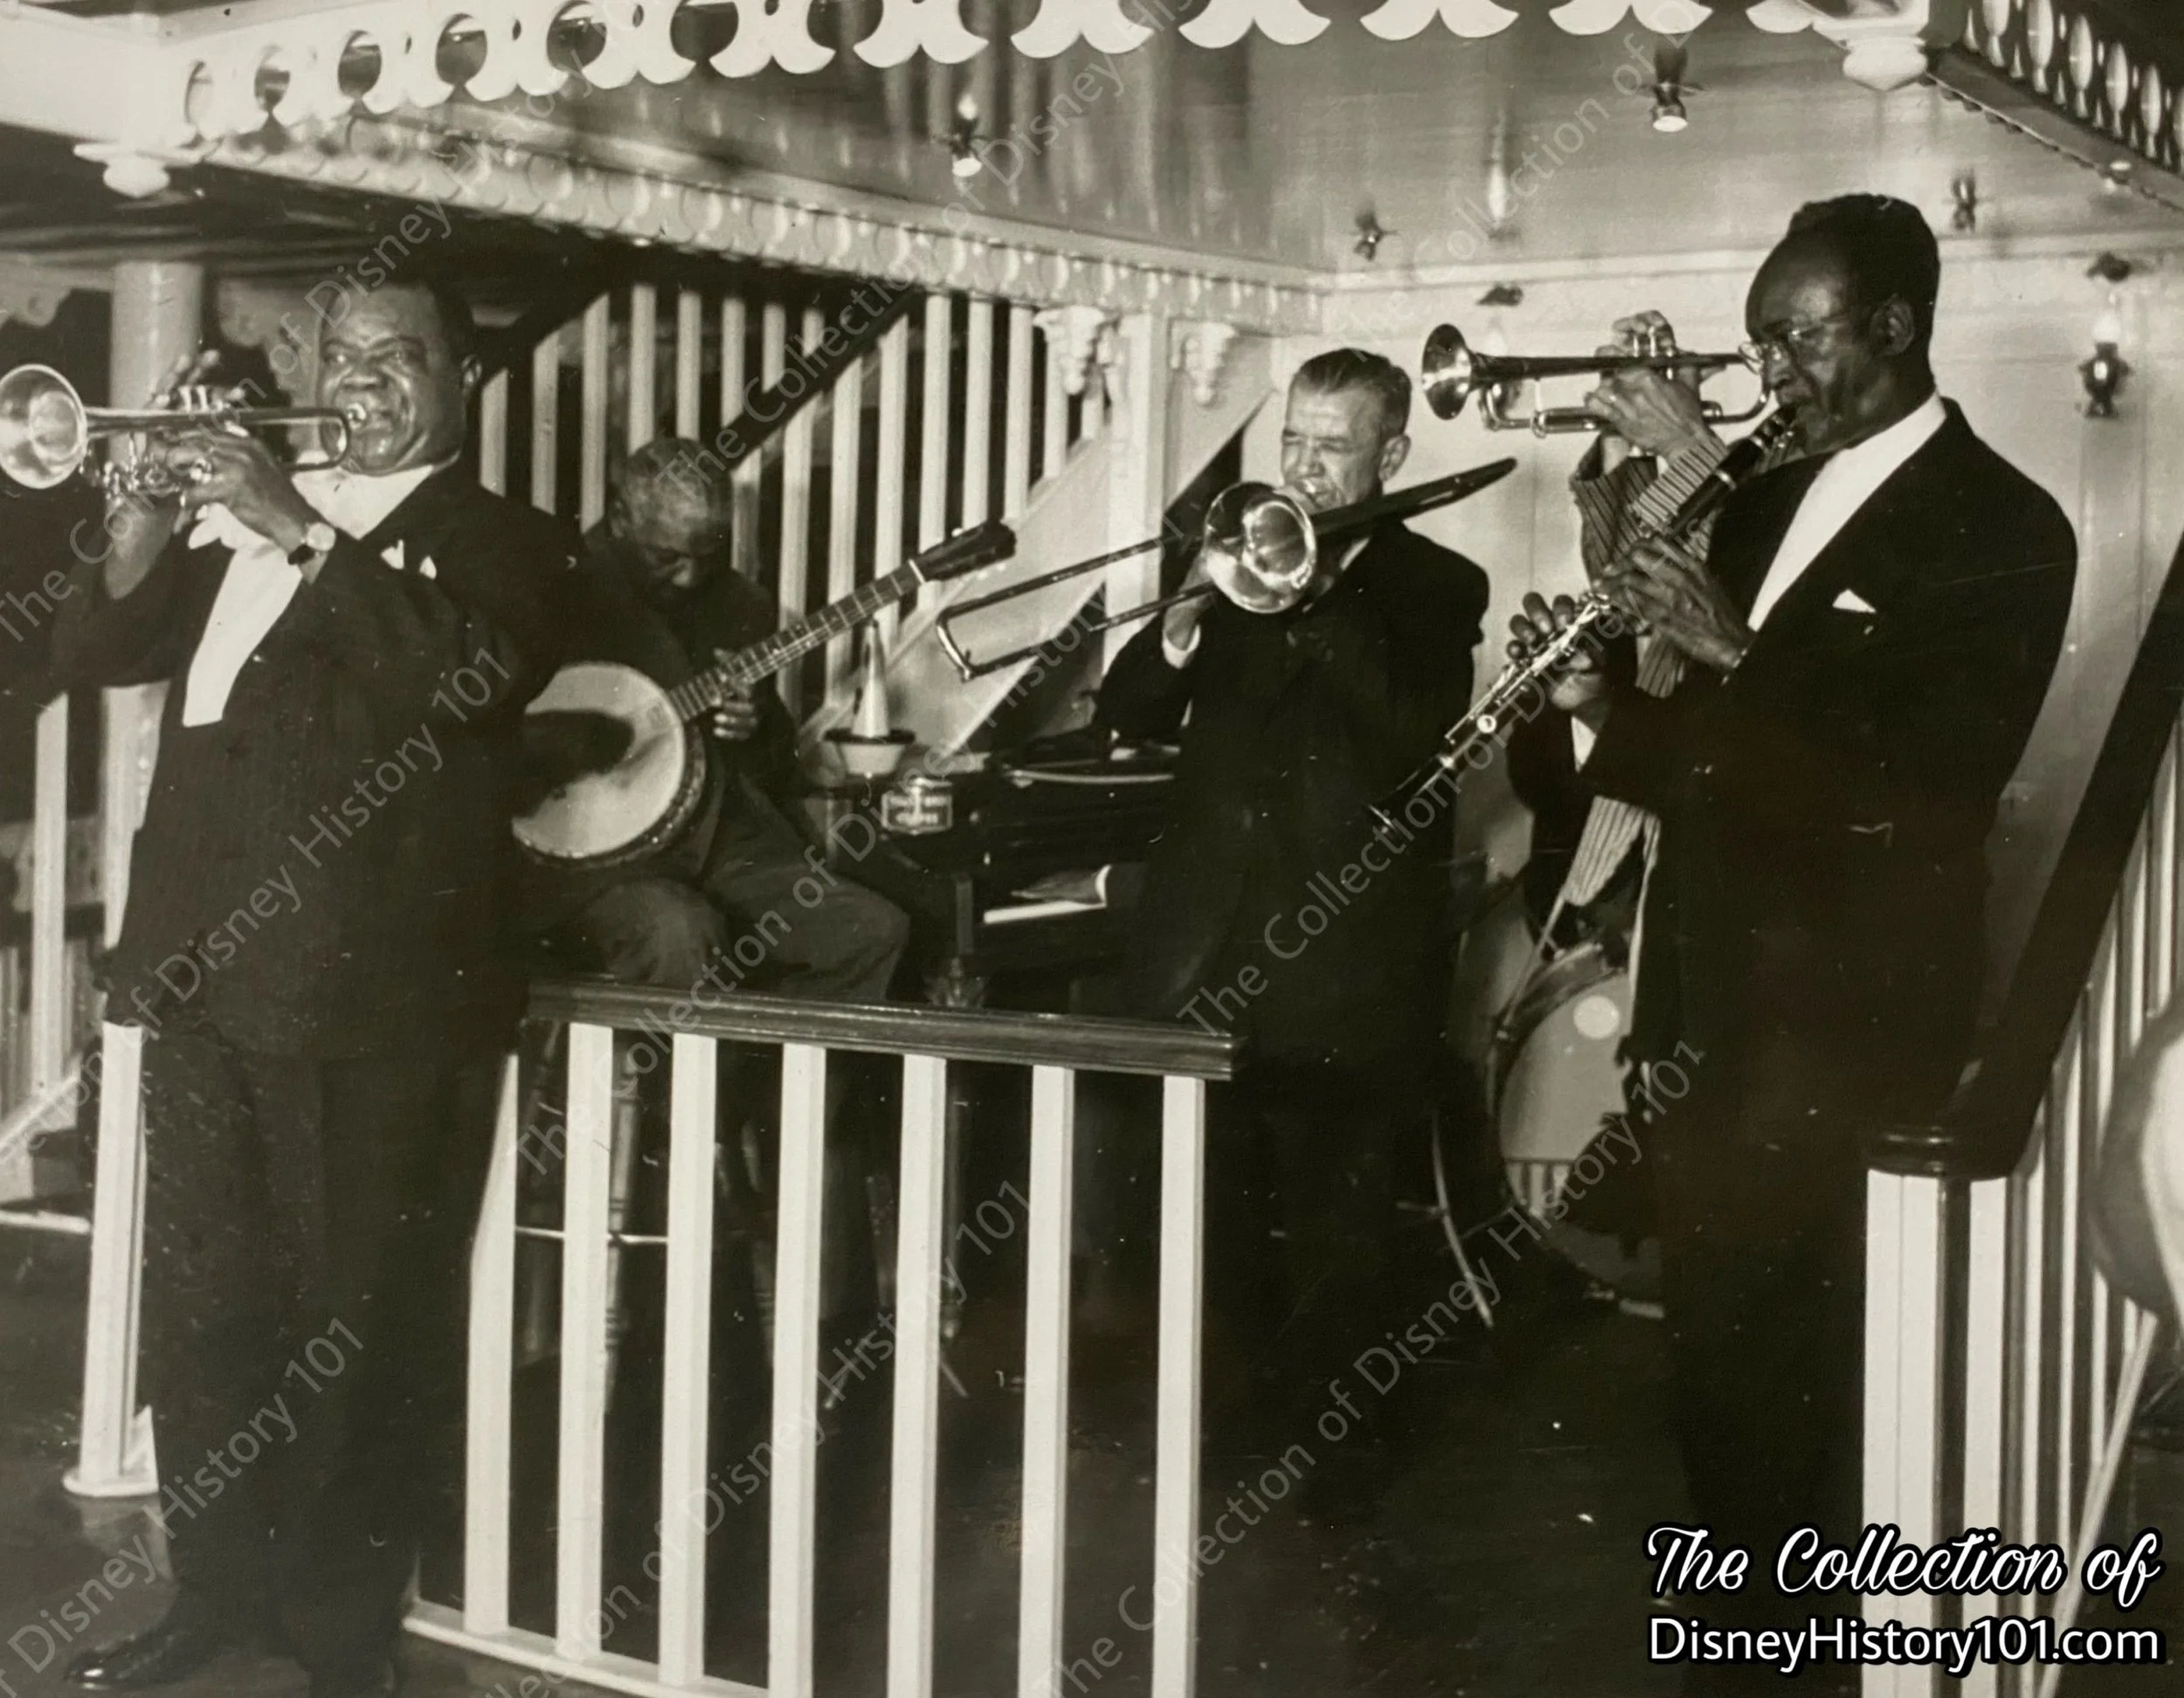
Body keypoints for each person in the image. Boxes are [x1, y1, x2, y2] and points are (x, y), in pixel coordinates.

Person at [1510, 196, 2077, 1684]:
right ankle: (1751, 1635)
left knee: (1819, 1354)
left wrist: (1737, 653)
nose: (1768, 370)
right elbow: (1693, 758)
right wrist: (1583, 711)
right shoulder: (1754, 502)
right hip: (1707, 998)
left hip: (1849, 1014)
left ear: (1894, 326)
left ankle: (1808, 1639)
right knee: (1718, 1340)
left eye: (1797, 336)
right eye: (1761, 336)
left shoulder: (2009, 523)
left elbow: (1936, 792)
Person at [49, 281, 577, 1696]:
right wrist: (152, 505)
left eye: (396, 358)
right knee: (210, 1318)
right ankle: (217, 1598)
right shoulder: (249, 520)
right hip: (206, 979)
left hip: (372, 1000)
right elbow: (95, 650)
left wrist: (293, 519)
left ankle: (340, 1637)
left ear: (460, 375)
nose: (361, 385)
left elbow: (462, 676)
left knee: (359, 1321)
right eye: (340, 357)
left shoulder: (505, 538)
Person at [1095, 348, 1490, 1513]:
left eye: (1332, 448)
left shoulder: (1437, 586)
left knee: (1338, 1221)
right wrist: (1182, 615)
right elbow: (1129, 711)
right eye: (1294, 445)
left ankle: (1331, 1467)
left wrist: (1307, 592)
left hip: (1351, 954)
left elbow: (1413, 732)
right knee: (1216, 1207)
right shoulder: (1237, 559)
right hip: (1210, 943)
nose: (1306, 470)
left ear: (1391, 458)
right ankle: (1223, 1451)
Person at [522, 438, 908, 1002]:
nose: (688, 577)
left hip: (720, 845)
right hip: (597, 859)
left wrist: (752, 728)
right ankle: (673, 1090)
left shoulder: (739, 604)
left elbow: (775, 766)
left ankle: (781, 1085)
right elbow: (497, 737)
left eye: (707, 554)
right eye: (667, 556)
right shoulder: (552, 591)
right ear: (622, 517)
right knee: (681, 934)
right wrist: (585, 739)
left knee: (870, 929)